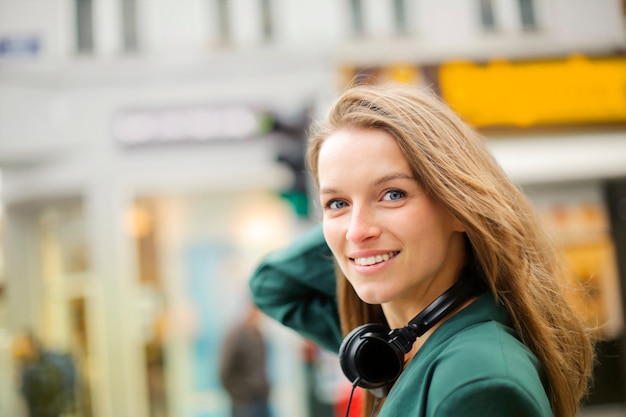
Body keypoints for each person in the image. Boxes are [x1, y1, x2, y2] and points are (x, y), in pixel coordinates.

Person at [249, 84, 594, 417]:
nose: (357, 230)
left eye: (393, 194)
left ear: (458, 207)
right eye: (337, 202)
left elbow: (273, 284)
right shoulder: (396, 344)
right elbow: (271, 284)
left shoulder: (477, 384)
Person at [219, 303, 271, 417]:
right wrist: (241, 396)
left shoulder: (258, 335)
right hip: (244, 405)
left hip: (261, 401)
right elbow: (225, 372)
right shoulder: (236, 336)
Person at [12, 332, 76, 417]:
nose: (32, 348)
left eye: (31, 345)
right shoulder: (25, 372)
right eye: (29, 346)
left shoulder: (46, 362)